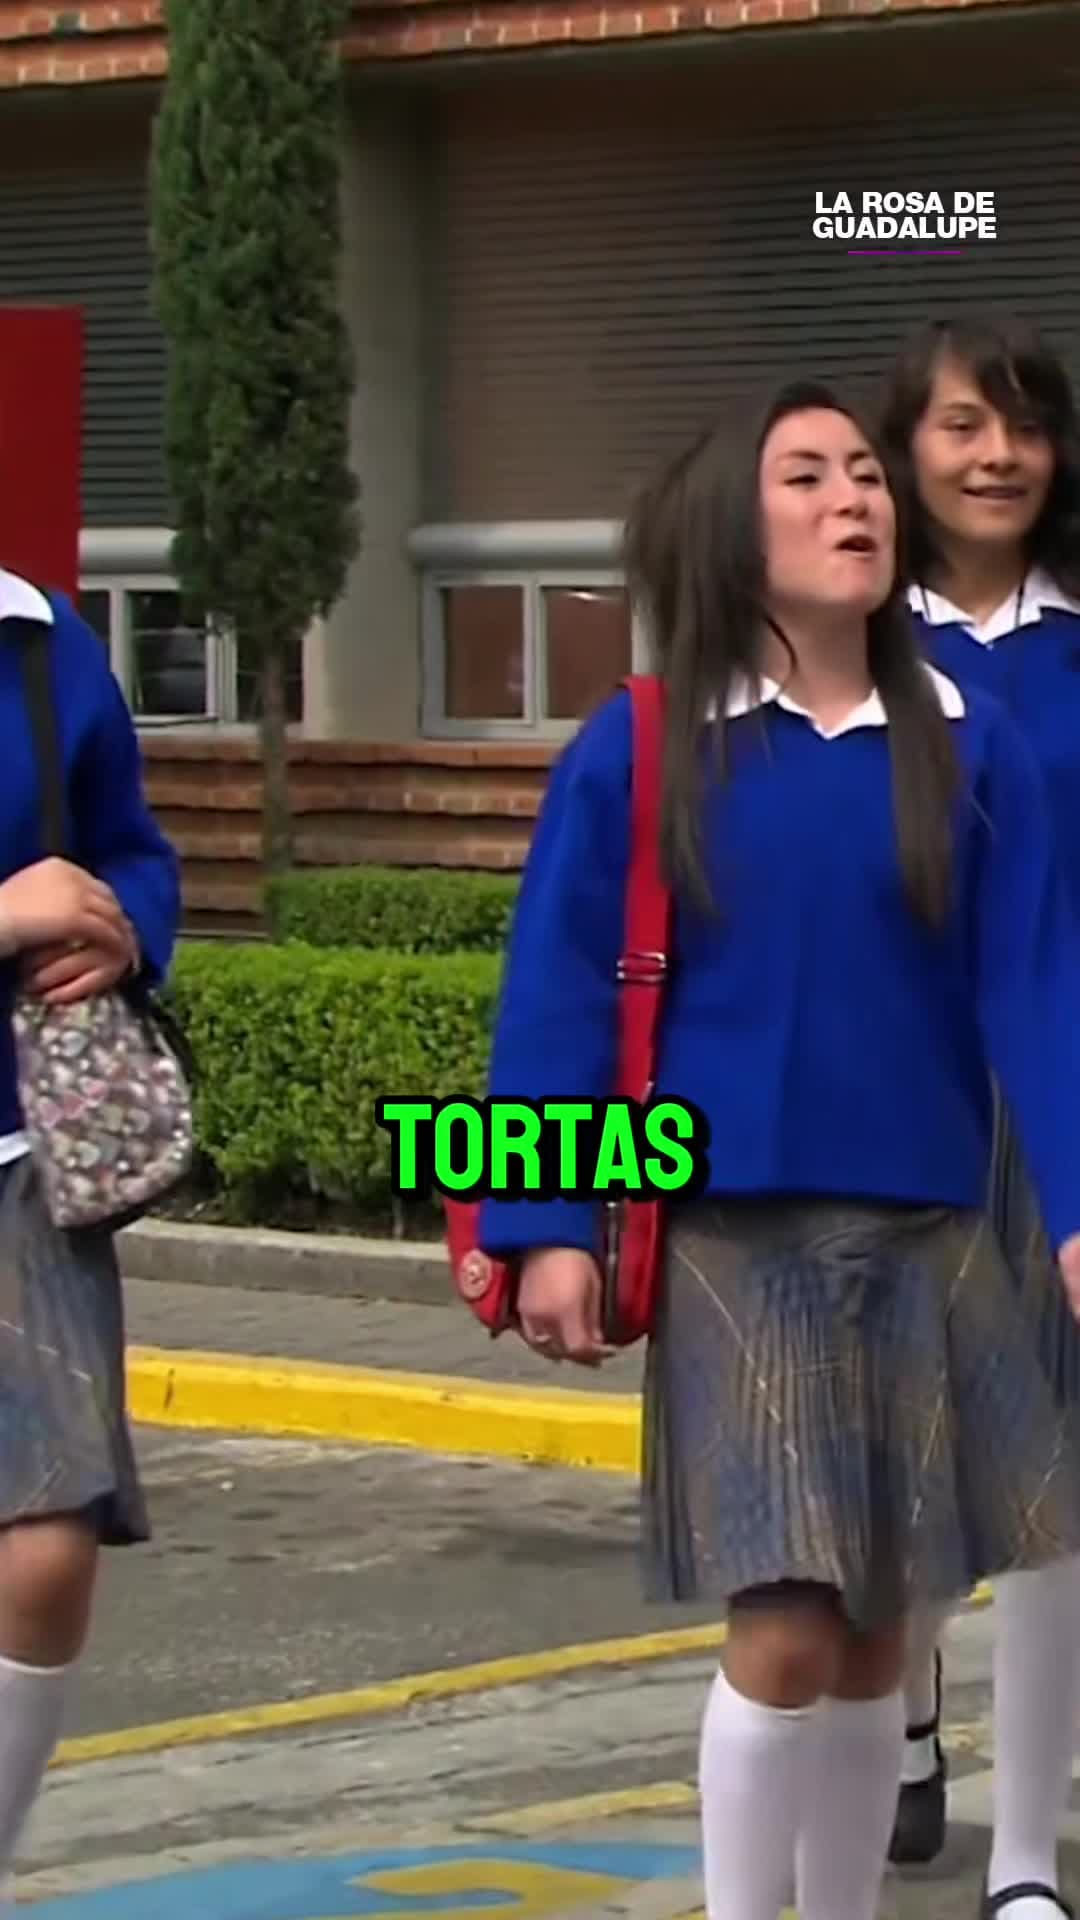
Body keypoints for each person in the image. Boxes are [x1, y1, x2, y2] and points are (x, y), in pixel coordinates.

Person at [474, 380, 1080, 1920]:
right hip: (733, 1234)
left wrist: (1074, 1206)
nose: (853, 497)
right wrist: (539, 1220)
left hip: (933, 1233)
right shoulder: (643, 747)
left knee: (883, 1632)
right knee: (794, 1624)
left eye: (865, 473)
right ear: (727, 533)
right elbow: (554, 989)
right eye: (805, 475)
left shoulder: (972, 744)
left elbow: (1036, 989)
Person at [879, 312, 1080, 1919]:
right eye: (962, 425)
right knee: (907, 1475)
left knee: (1058, 1490)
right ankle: (907, 1709)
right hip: (899, 1096)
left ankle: (1024, 1859)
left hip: (1064, 1095)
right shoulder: (846, 640)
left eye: (1023, 426)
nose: (997, 455)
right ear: (906, 449)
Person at [0, 566, 181, 1910]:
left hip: (23, 1155)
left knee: (49, 1539)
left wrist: (125, 932)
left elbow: (129, 849)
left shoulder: (40, 640)